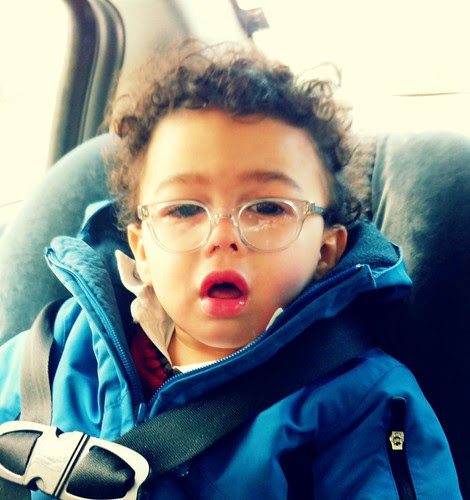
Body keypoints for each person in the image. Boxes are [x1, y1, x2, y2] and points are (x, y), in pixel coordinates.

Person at [0, 42, 461, 498]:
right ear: (142, 251)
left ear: (325, 251)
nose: (223, 236)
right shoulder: (59, 348)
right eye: (183, 209)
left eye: (267, 208)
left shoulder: (363, 401)